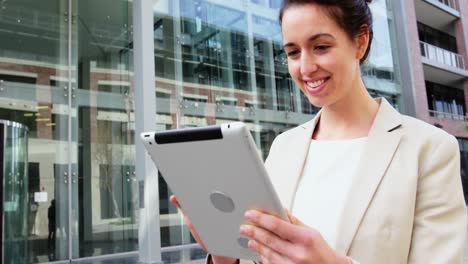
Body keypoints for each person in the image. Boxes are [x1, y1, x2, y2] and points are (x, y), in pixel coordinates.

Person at [171, 0, 467, 263]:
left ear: (360, 41)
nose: (306, 67)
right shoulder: (283, 147)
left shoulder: (429, 148)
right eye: (293, 52)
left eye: (321, 47)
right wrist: (225, 256)